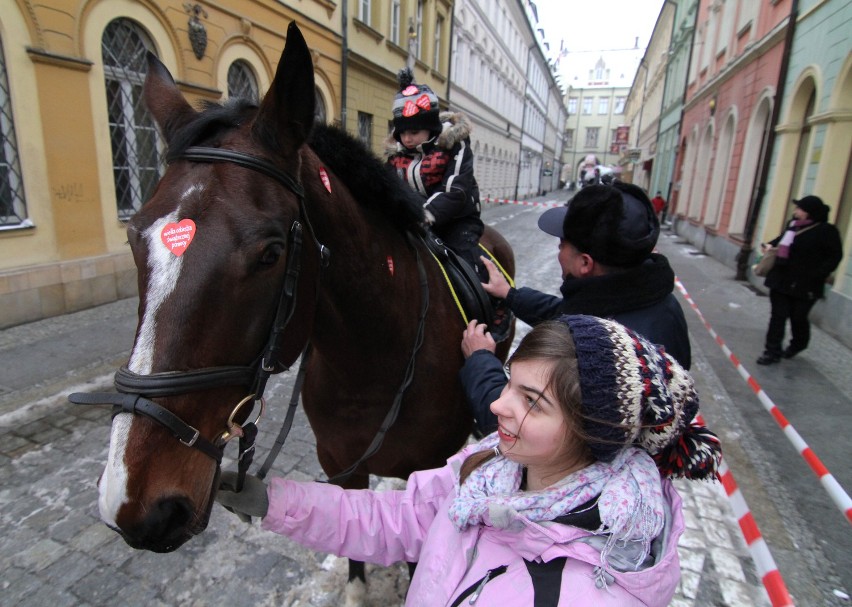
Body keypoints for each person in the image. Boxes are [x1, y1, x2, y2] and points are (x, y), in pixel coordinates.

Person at [216, 315, 721, 606]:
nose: (497, 405)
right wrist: (276, 502)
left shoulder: (587, 594)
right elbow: (398, 518)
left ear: (593, 433)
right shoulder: (488, 465)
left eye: (531, 401)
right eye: (506, 383)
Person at [461, 181, 691, 435]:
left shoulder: (593, 357)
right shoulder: (657, 304)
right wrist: (511, 294)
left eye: (561, 245)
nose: (558, 252)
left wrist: (480, 359)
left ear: (585, 263)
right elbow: (569, 314)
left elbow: (518, 427)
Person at [386, 68, 486, 280]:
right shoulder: (396, 156)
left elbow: (455, 189)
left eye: (414, 132)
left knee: (466, 262)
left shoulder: (454, 146)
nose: (407, 139)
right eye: (402, 133)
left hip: (458, 219)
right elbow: (388, 187)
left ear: (430, 129)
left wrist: (424, 215)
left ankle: (491, 304)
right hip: (414, 220)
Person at [756, 195, 843, 365]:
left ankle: (798, 344)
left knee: (798, 317)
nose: (796, 211)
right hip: (782, 279)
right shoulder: (792, 226)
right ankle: (771, 351)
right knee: (777, 317)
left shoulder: (827, 231)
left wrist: (818, 274)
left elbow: (834, 256)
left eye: (799, 209)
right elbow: (780, 241)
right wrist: (769, 245)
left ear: (809, 212)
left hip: (806, 284)